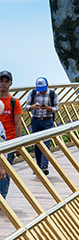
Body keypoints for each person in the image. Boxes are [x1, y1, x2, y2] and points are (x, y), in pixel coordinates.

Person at [24, 77, 59, 175]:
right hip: (35, 120)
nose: (42, 92)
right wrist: (33, 107)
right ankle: (38, 166)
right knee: (37, 144)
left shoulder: (53, 94)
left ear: (47, 86)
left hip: (47, 120)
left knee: (46, 144)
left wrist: (49, 108)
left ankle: (44, 167)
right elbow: (26, 107)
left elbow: (56, 108)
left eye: (43, 90)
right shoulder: (33, 93)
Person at [0, 71, 22, 199]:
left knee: (4, 172)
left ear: (10, 83)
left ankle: (2, 198)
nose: (3, 84)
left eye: (6, 81)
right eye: (1, 80)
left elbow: (18, 124)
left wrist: (18, 145)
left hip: (8, 142)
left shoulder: (14, 102)